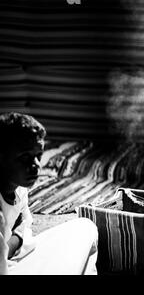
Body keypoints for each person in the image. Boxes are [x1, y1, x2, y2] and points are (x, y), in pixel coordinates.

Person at [0, 112, 98, 275]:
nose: (36, 165)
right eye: (25, 157)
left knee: (85, 227)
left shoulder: (18, 186)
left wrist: (8, 247)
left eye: (38, 156)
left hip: (9, 260)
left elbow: (24, 222)